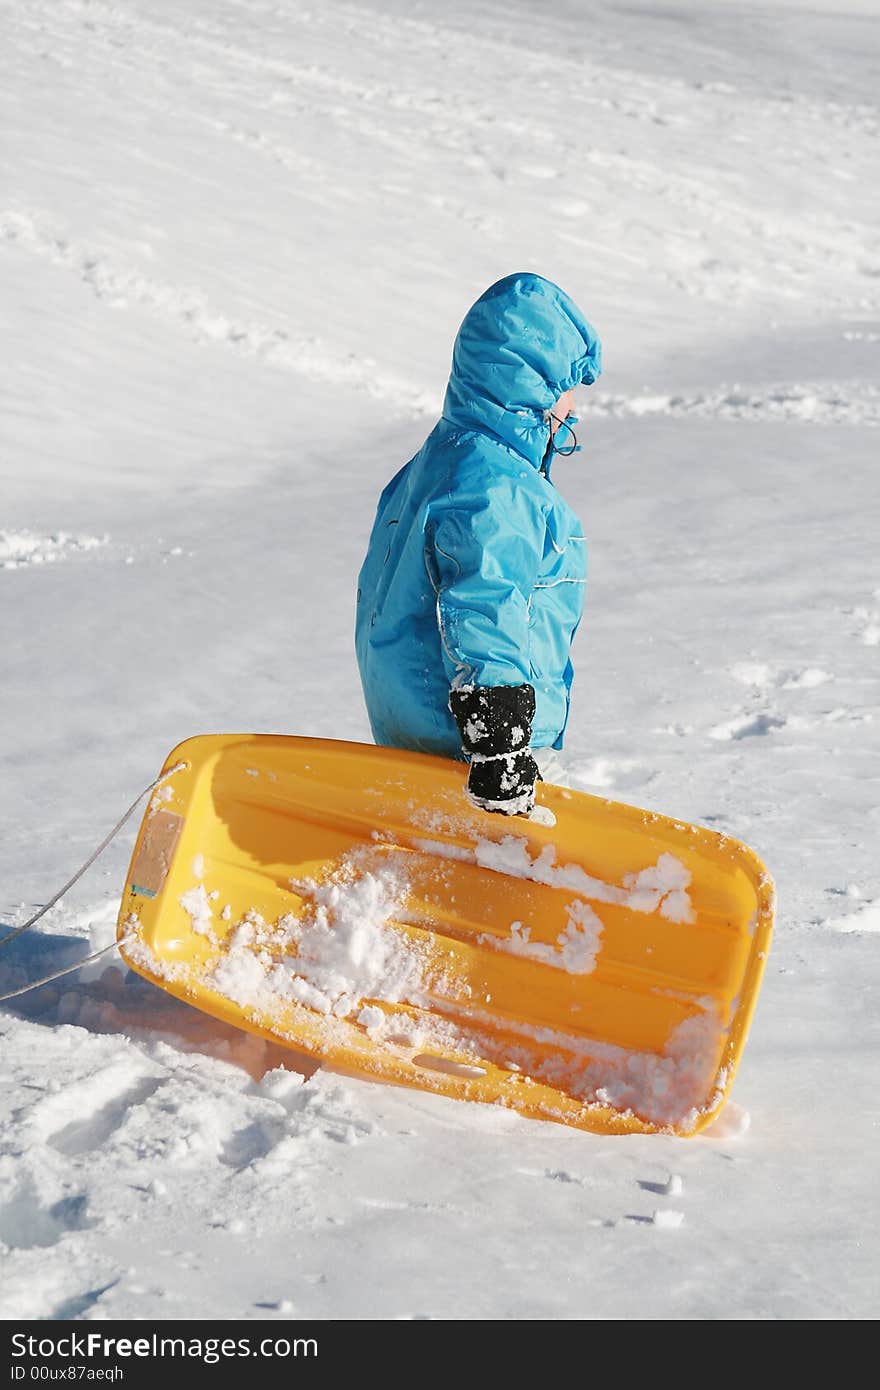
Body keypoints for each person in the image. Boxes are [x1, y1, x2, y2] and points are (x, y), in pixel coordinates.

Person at [355, 271, 602, 816]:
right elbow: (484, 602)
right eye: (564, 388)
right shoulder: (497, 486)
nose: (571, 409)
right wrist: (499, 744)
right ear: (530, 384)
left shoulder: (430, 466)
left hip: (409, 731)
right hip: (469, 751)